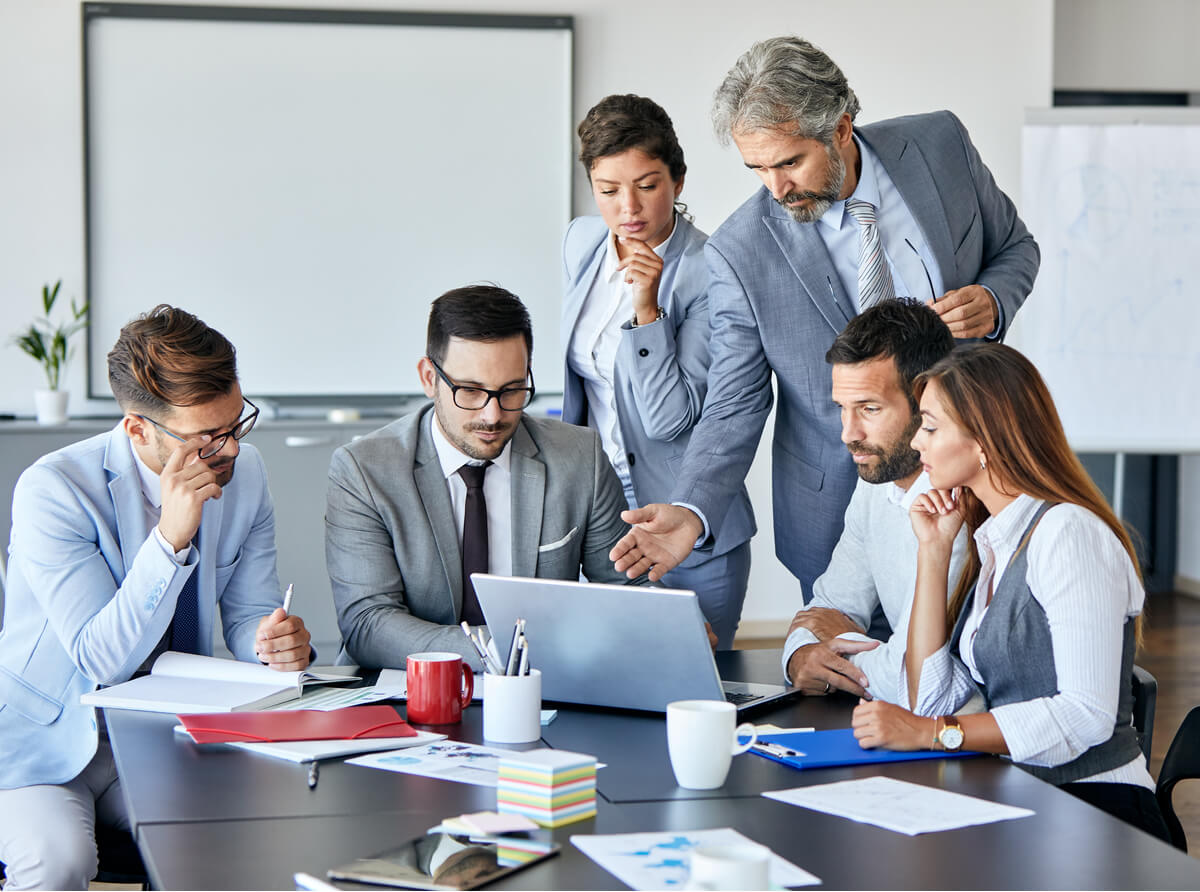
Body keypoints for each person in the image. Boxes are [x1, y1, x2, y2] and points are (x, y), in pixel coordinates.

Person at [610, 36, 1040, 600]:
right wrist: (693, 509)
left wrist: (994, 297)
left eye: (790, 162)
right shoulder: (740, 253)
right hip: (840, 508)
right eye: (757, 168)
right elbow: (734, 401)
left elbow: (1016, 246)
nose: (777, 189)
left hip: (986, 475)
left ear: (840, 127)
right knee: (849, 671)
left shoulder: (941, 145)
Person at [0, 304, 312, 890]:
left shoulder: (245, 473)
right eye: (207, 437)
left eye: (237, 422)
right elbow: (100, 659)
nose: (231, 451)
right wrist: (170, 538)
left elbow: (247, 614)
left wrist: (269, 643)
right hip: (39, 745)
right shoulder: (54, 489)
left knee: (233, 836)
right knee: (59, 861)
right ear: (139, 428)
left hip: (158, 735)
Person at [851, 343, 1171, 841]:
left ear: (985, 441)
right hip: (1020, 795)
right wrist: (932, 554)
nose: (917, 443)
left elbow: (1085, 714)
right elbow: (929, 701)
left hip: (1099, 810)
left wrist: (933, 736)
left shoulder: (1067, 534)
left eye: (931, 427)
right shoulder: (995, 540)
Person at [326, 285, 644, 671]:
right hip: (406, 695)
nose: (493, 416)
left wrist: (668, 628)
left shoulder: (580, 458)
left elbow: (628, 592)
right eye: (471, 391)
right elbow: (368, 624)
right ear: (429, 378)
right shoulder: (364, 470)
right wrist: (506, 649)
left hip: (541, 691)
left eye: (511, 390)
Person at [562, 94, 754, 649]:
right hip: (597, 517)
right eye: (608, 190)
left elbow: (670, 419)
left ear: (679, 180)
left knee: (692, 688)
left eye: (647, 184)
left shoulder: (712, 270)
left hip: (683, 519)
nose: (629, 208)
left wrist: (648, 310)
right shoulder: (581, 242)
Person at [783, 299, 966, 704]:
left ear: (927, 400)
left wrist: (840, 640)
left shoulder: (960, 507)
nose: (849, 433)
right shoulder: (874, 482)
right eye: (842, 410)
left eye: (869, 408)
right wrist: (801, 656)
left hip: (966, 737)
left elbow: (918, 680)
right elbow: (825, 607)